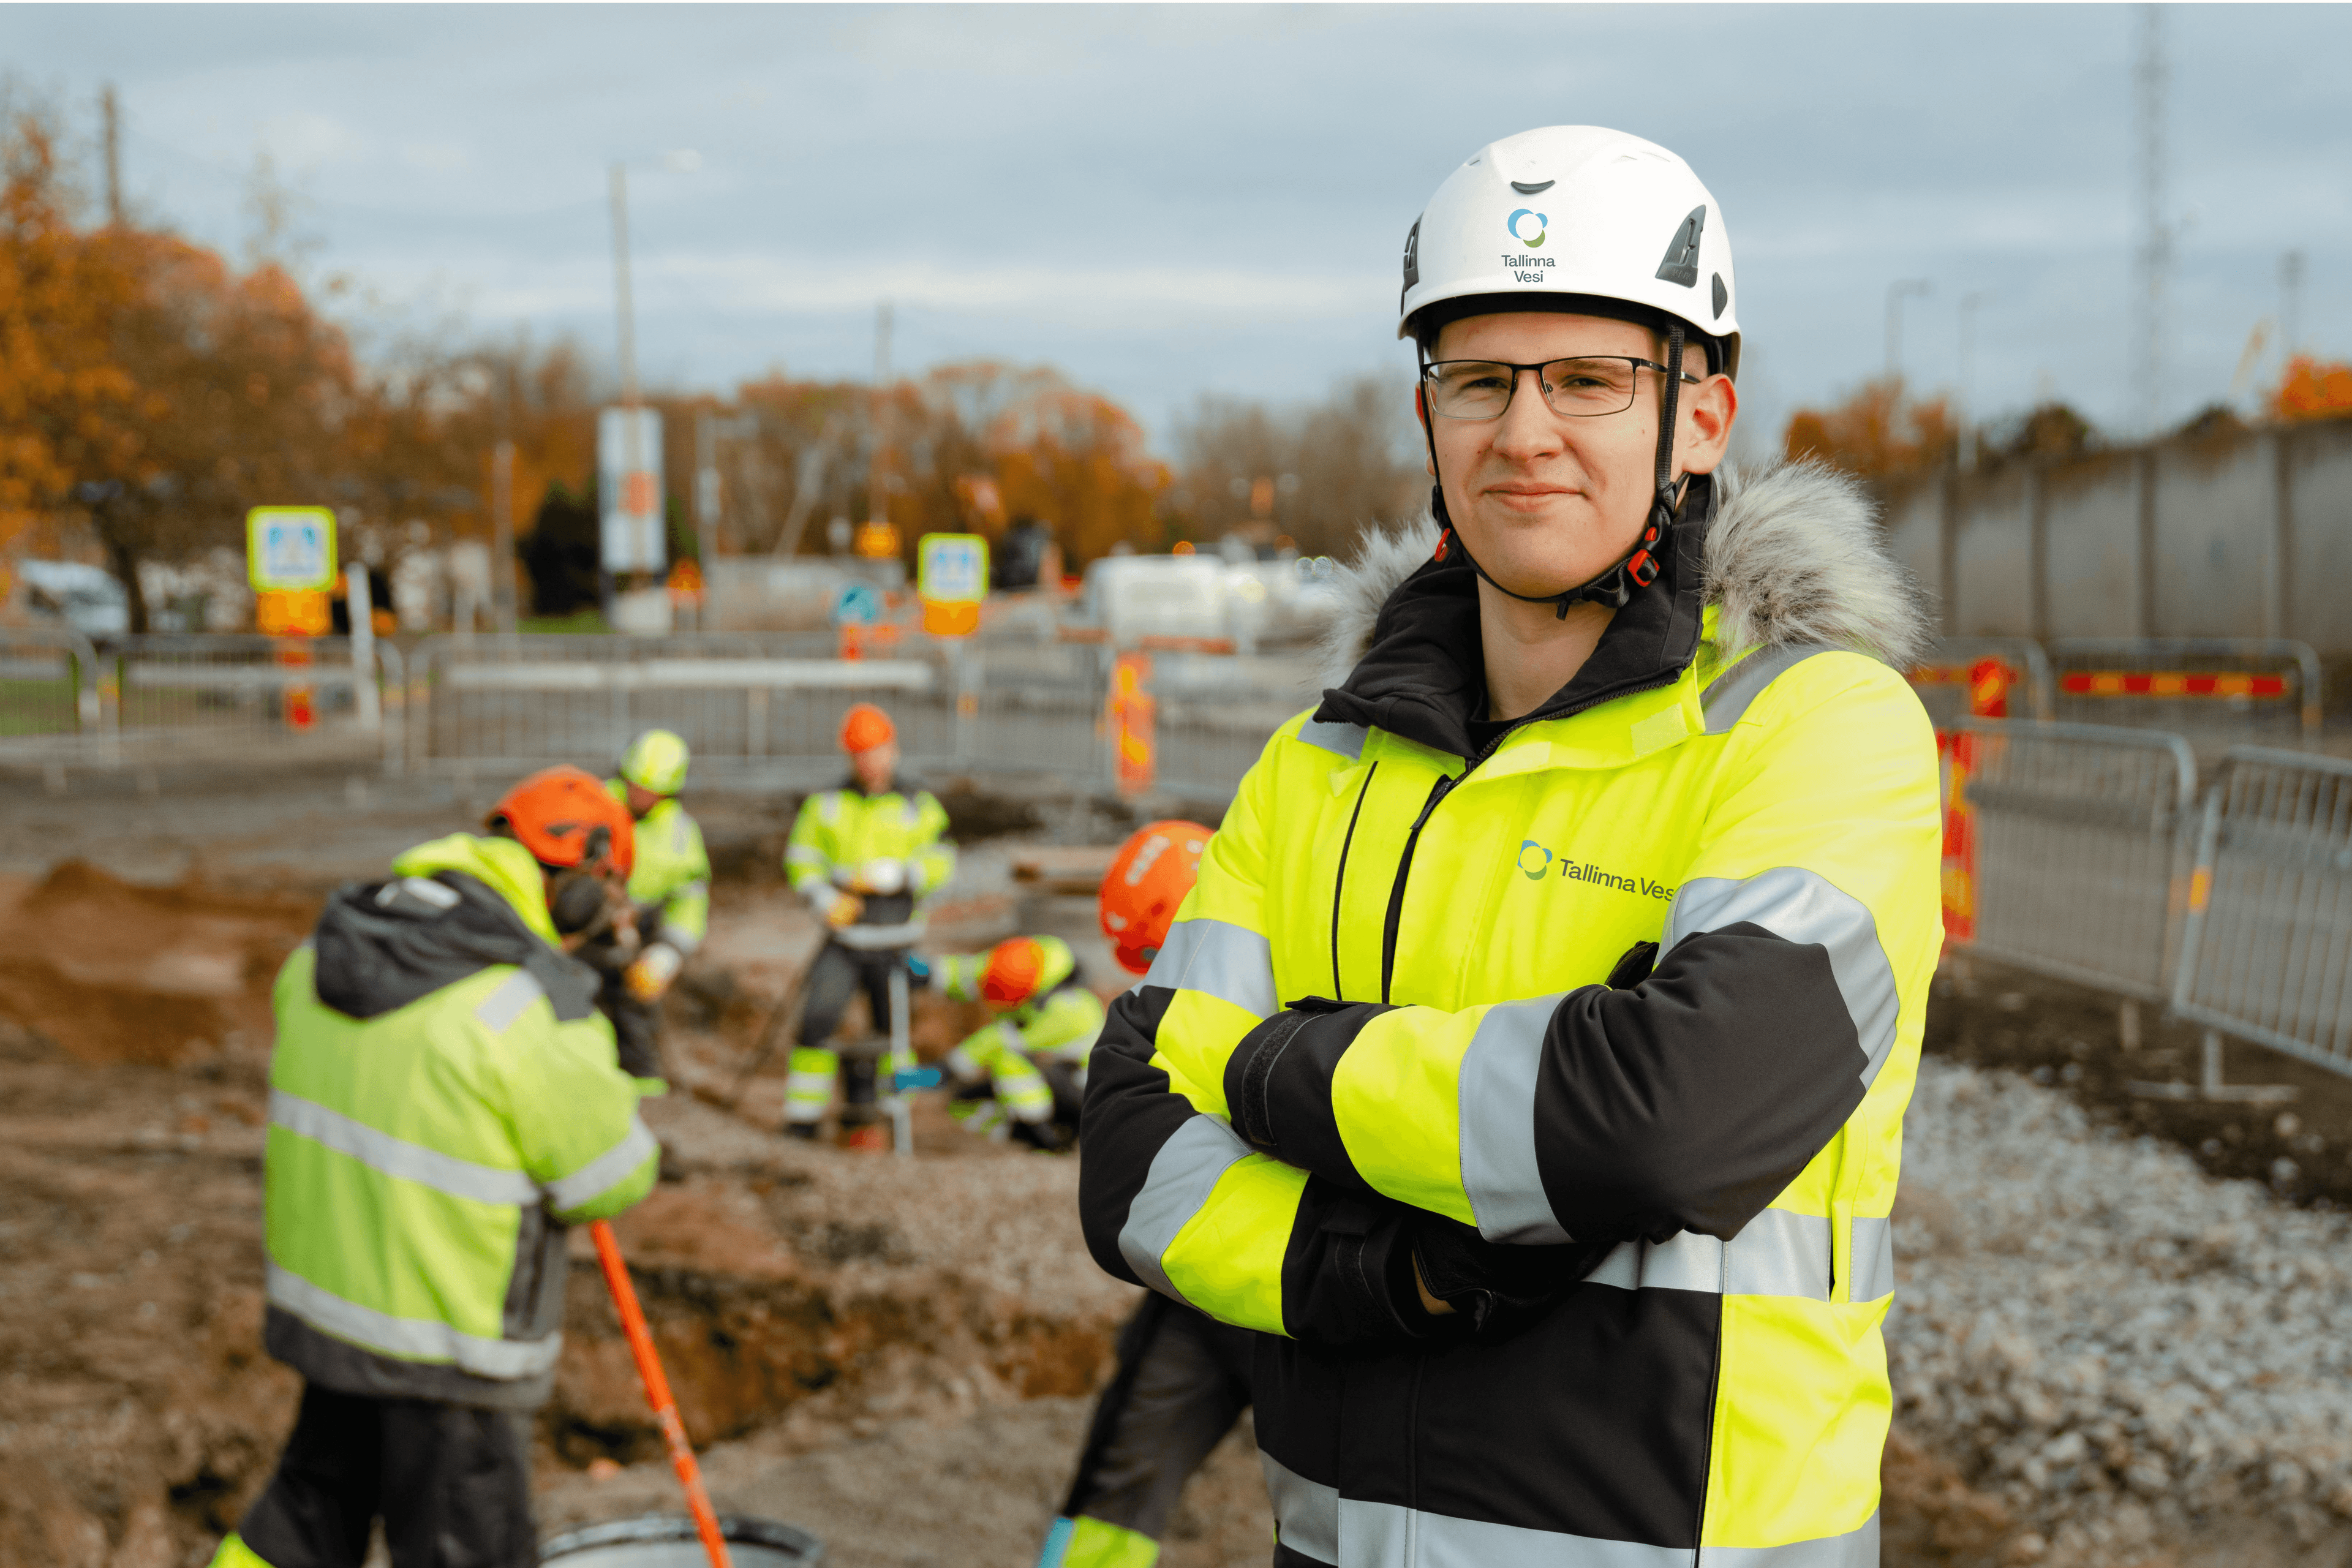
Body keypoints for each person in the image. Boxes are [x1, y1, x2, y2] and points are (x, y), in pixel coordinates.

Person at [1079, 125, 1942, 1566]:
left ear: (1702, 418)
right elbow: (1130, 1156)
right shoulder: (1319, 762)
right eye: (1477, 379)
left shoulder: (1814, 729)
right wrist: (1375, 1271)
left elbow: (1666, 1122)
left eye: (1589, 380)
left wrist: (1271, 1065)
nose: (1522, 432)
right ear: (1427, 420)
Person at [211, 766, 660, 1568]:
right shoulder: (524, 1012)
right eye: (606, 890)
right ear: (580, 883)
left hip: (334, 1318)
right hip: (448, 1347)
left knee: (303, 1522)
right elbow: (611, 1177)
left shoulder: (324, 955)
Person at [1041, 821, 1257, 1568]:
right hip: (1203, 1284)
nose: (1142, 979)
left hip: (1312, 1286)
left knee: (1346, 1505)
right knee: (1118, 1484)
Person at [782, 701, 956, 1147]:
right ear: (849, 757)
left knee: (894, 1034)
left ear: (893, 751)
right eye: (861, 755)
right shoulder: (827, 805)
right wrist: (823, 897)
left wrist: (901, 876)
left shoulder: (919, 805)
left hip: (896, 940)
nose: (870, 763)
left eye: (877, 752)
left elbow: (942, 860)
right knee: (817, 1022)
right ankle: (801, 1122)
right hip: (844, 938)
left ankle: (891, 1118)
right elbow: (801, 859)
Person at [596, 727, 713, 1087]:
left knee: (636, 1013)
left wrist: (669, 953)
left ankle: (646, 1096)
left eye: (650, 791)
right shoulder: (595, 806)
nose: (639, 796)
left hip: (639, 934)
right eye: (634, 786)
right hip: (587, 927)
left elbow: (690, 902)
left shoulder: (680, 835)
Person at [932, 933, 1104, 1150]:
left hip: (1084, 1091)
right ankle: (1024, 1133)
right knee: (961, 1103)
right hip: (1055, 1079)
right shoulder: (1031, 963)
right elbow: (976, 969)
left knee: (1009, 1063)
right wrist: (930, 973)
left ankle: (1046, 1137)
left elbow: (1003, 1039)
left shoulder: (1073, 1011)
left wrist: (949, 1068)